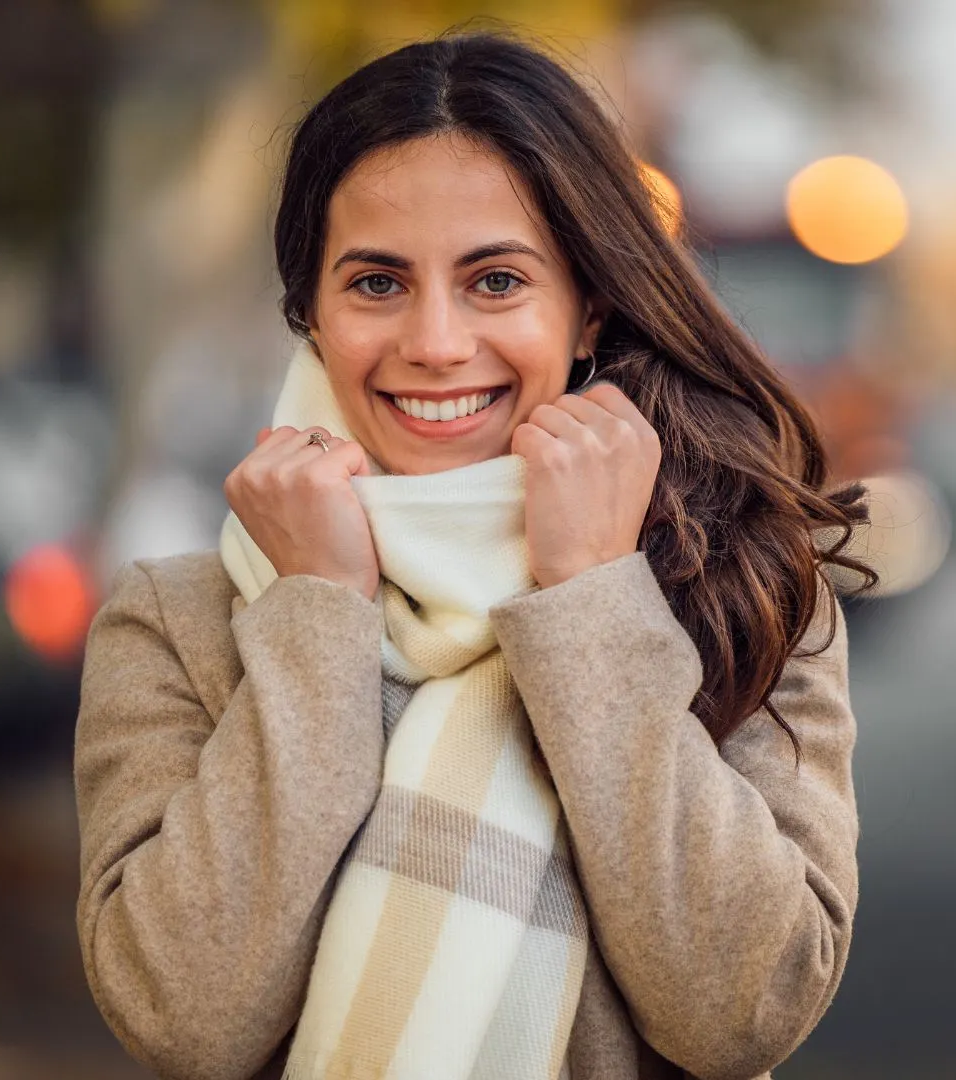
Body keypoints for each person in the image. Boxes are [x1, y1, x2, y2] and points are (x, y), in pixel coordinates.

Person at [74, 31, 872, 1080]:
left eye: (496, 281)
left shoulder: (746, 596)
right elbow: (185, 1017)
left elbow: (742, 1010)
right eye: (376, 284)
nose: (437, 342)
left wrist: (594, 598)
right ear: (308, 313)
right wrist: (317, 611)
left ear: (587, 304)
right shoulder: (177, 625)